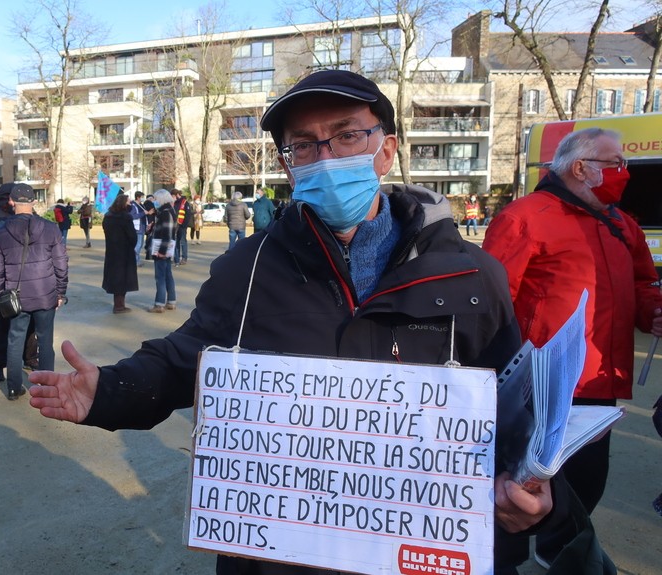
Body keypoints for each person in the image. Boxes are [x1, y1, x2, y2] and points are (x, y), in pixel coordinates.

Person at [29, 70, 560, 575]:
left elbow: (515, 414)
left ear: (387, 149)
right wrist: (110, 390)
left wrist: (526, 494)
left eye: (347, 135)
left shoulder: (473, 275)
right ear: (288, 165)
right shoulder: (246, 267)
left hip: (413, 552)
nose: (325, 157)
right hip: (279, 555)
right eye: (303, 145)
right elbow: (187, 358)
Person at [483, 127, 662, 568]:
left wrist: (654, 310)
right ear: (581, 168)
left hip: (602, 381)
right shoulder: (525, 218)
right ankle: (505, 555)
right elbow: (490, 300)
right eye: (615, 163)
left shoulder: (623, 224)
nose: (625, 172)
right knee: (523, 485)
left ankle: (557, 551)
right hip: (540, 386)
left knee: (586, 482)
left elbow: (643, 284)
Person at [0, 183, 68, 400]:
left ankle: (13, 388)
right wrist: (60, 292)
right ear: (33, 202)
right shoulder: (51, 229)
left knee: (15, 341)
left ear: (11, 202)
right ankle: (47, 388)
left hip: (16, 296)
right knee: (45, 341)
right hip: (46, 294)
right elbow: (61, 263)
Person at [102, 193, 138, 313]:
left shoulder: (108, 216)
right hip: (124, 252)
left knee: (116, 278)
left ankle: (119, 304)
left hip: (112, 251)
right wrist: (131, 245)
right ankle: (119, 306)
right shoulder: (125, 217)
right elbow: (132, 236)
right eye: (128, 202)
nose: (130, 204)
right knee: (123, 279)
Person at [146, 189, 177, 313]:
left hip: (163, 247)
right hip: (166, 247)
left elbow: (167, 234)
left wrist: (162, 251)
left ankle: (159, 304)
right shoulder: (166, 211)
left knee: (160, 276)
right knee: (167, 274)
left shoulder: (166, 212)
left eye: (156, 199)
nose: (154, 201)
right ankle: (171, 301)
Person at [130, 191, 148, 266]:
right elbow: (133, 216)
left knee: (140, 245)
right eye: (142, 197)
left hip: (142, 227)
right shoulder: (133, 206)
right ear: (138, 197)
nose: (143, 198)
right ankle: (134, 261)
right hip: (137, 228)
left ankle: (137, 260)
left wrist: (147, 224)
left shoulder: (141, 205)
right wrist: (143, 213)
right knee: (138, 245)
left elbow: (145, 215)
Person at [171, 190, 188, 265]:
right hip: (175, 225)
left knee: (183, 242)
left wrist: (184, 225)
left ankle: (184, 258)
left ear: (177, 195)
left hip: (182, 226)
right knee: (176, 242)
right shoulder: (173, 203)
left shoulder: (184, 202)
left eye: (173, 196)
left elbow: (188, 215)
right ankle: (176, 258)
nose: (172, 197)